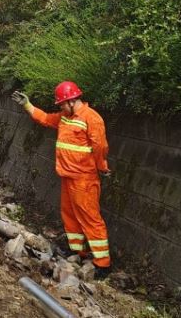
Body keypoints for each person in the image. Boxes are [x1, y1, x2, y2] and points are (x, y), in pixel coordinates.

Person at [12, 81, 113, 279]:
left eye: (62, 104)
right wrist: (28, 105)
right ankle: (78, 251)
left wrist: (102, 167)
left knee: (90, 218)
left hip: (84, 178)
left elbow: (100, 147)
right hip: (68, 176)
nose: (60, 108)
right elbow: (46, 119)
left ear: (72, 101)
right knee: (70, 215)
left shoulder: (92, 119)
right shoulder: (65, 117)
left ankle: (102, 263)